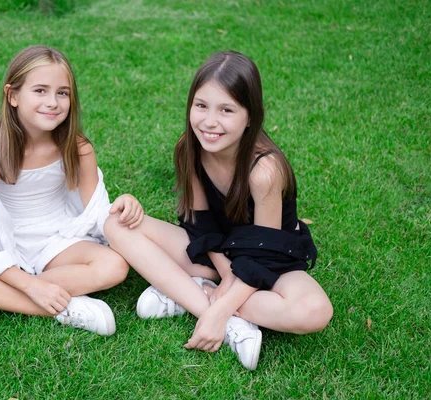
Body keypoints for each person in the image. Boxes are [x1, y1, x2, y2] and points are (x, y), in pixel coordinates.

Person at [104, 51, 333, 369]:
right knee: (116, 225)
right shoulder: (190, 147)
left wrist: (224, 302)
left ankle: (189, 294)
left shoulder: (263, 170)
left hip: (270, 263)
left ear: (250, 115)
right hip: (217, 253)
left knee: (314, 311)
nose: (210, 122)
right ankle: (218, 312)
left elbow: (262, 256)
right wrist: (221, 295)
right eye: (201, 106)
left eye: (226, 110)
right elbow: (201, 229)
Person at [0, 46, 144, 336]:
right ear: (12, 96)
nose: (53, 102)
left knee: (113, 265)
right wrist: (31, 286)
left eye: (62, 93)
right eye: (40, 90)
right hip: (2, 237)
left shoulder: (77, 147)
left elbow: (96, 211)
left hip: (55, 239)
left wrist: (120, 207)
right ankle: (64, 306)